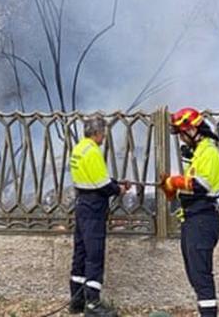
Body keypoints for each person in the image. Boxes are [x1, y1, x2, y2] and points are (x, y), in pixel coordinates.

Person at [160, 107, 219, 317]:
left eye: (181, 133)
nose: (181, 138)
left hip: (202, 220)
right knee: (195, 275)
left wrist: (175, 181)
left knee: (201, 276)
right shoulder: (198, 154)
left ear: (192, 129)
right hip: (192, 219)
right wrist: (171, 190)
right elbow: (187, 190)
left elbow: (201, 185)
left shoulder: (209, 152)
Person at [69, 116, 129, 316]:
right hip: (93, 207)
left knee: (80, 253)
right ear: (97, 133)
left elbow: (92, 176)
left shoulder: (79, 148)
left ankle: (76, 301)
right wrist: (118, 189)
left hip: (82, 203)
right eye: (103, 133)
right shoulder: (93, 151)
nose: (104, 137)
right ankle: (93, 304)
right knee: (94, 254)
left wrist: (114, 182)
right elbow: (102, 184)